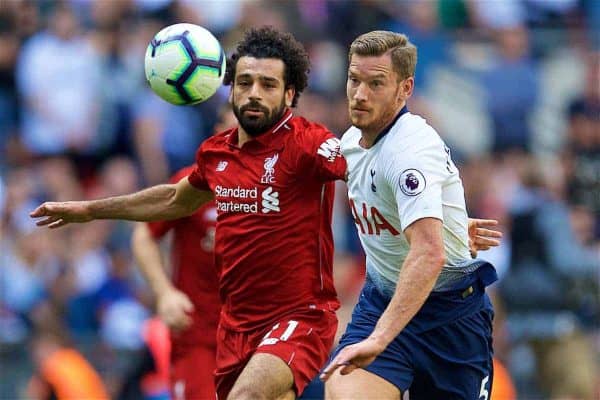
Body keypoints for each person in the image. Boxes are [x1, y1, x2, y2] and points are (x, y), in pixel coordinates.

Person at [31, 27, 500, 400]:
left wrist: (440, 222)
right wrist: (90, 210)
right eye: (245, 82)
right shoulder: (215, 155)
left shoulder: (310, 145)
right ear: (230, 88)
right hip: (234, 328)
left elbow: (373, 170)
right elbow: (175, 201)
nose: (254, 94)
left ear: (290, 94)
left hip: (302, 317)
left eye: (268, 85)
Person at [320, 31, 499, 400]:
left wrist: (381, 338)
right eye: (354, 80)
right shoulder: (352, 142)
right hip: (382, 303)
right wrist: (450, 225)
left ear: (405, 89)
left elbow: (429, 254)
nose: (360, 94)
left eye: (376, 84)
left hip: (452, 321)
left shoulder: (410, 152)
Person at [130, 105, 236, 400]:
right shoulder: (193, 183)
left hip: (255, 338)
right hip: (198, 336)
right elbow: (144, 234)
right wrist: (163, 292)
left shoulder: (273, 193)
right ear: (218, 134)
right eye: (233, 131)